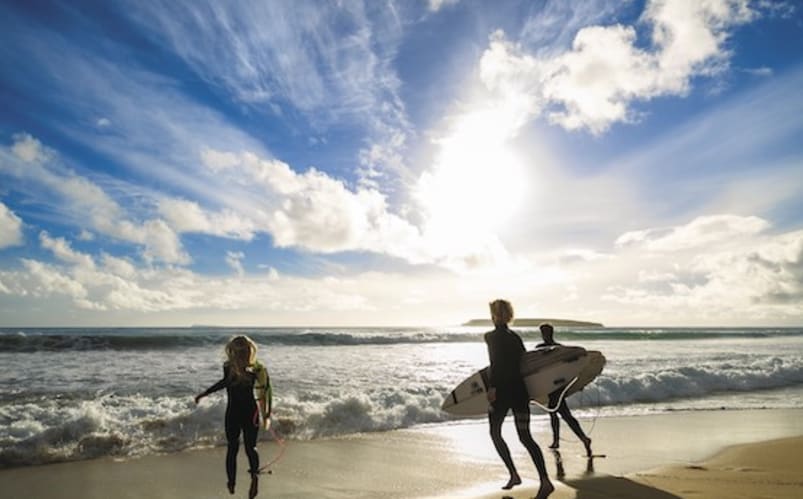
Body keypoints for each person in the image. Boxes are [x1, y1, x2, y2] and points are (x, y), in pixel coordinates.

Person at [485, 299, 554, 499]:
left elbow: (495, 365)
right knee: (525, 437)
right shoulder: (515, 337)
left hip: (502, 394)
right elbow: (526, 364)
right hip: (520, 393)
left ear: (494, 315)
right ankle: (545, 481)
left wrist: (492, 388)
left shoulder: (490, 337)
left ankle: (514, 474)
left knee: (495, 432)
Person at [195, 335, 272, 498]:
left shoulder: (255, 369)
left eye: (243, 351)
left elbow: (264, 391)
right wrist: (205, 393)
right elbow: (224, 382)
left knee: (237, 448)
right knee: (247, 447)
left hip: (240, 413)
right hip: (245, 412)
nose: (241, 354)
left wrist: (266, 413)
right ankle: (245, 479)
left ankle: (242, 479)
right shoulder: (233, 367)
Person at [536, 323, 592, 457]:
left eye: (545, 333)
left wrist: (578, 383)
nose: (545, 335)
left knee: (561, 414)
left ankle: (582, 439)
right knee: (559, 413)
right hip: (556, 386)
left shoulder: (542, 349)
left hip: (554, 386)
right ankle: (562, 440)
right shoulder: (559, 348)